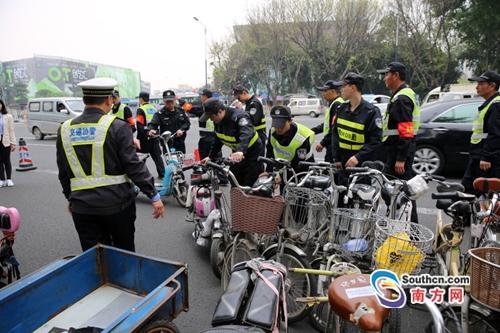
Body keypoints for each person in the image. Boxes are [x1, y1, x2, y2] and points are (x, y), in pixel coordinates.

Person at [56, 78, 164, 252]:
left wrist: (71, 197)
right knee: (123, 254)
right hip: (117, 206)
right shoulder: (118, 127)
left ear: (84, 100)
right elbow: (133, 165)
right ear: (108, 100)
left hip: (82, 208)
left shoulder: (64, 129)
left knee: (94, 257)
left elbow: (63, 172)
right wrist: (153, 195)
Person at [377, 62, 420, 222]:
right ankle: (399, 224)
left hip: (398, 153)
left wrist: (401, 158)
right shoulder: (402, 94)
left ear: (395, 75)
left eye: (386, 74)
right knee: (396, 191)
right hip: (396, 151)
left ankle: (411, 230)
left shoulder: (402, 98)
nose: (384, 79)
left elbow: (406, 130)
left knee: (403, 192)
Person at [201, 97, 264, 187]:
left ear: (220, 111)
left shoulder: (239, 116)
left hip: (252, 152)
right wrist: (210, 157)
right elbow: (217, 141)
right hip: (237, 154)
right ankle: (238, 200)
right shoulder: (218, 120)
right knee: (234, 180)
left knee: (249, 183)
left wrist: (240, 151)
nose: (211, 120)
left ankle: (250, 199)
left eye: (211, 117)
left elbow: (246, 133)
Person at [332, 72, 382, 171]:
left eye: (343, 86)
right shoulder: (341, 109)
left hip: (362, 165)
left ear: (353, 88)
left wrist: (358, 157)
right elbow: (335, 135)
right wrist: (336, 158)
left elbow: (375, 141)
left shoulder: (371, 112)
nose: (341, 90)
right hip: (342, 163)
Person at [462, 70, 500, 194]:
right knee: (472, 192)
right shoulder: (490, 103)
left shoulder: (496, 105)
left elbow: (495, 134)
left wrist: (486, 157)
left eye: (481, 83)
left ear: (492, 86)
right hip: (479, 155)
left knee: (473, 191)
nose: (477, 87)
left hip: (486, 159)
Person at [265, 105, 315, 174]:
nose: (278, 129)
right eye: (276, 125)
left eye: (281, 125)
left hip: (302, 169)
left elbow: (298, 163)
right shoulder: (273, 131)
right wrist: (268, 171)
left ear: (290, 121)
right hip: (283, 167)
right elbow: (270, 152)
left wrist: (280, 175)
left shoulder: (302, 137)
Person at [148, 90, 191, 154]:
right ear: (164, 101)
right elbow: (153, 124)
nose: (170, 103)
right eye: (167, 101)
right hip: (167, 144)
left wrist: (181, 130)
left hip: (180, 143)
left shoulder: (180, 111)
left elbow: (187, 123)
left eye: (171, 101)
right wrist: (151, 130)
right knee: (170, 163)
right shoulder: (160, 113)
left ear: (175, 100)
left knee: (181, 162)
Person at [312, 80, 345, 162]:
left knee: (329, 170)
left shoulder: (337, 104)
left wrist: (322, 143)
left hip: (333, 145)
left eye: (325, 91)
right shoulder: (334, 103)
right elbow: (327, 124)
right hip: (331, 143)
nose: (323, 94)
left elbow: (334, 129)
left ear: (333, 91)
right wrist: (311, 131)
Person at [136, 92, 164, 179]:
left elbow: (140, 125)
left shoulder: (140, 110)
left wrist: (140, 138)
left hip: (144, 138)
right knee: (157, 157)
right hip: (155, 136)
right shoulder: (154, 108)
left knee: (141, 158)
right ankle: (162, 174)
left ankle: (139, 176)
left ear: (141, 99)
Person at [233, 85, 267, 153]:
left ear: (244, 93)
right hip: (253, 135)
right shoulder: (249, 103)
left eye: (239, 97)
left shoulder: (254, 103)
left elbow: (253, 120)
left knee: (258, 159)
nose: (238, 100)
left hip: (259, 135)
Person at [190, 89, 217, 159]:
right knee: (216, 159)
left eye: (201, 96)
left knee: (203, 160)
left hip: (206, 139)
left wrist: (182, 102)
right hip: (215, 138)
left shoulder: (204, 108)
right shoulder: (217, 106)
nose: (200, 97)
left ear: (205, 96)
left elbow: (190, 109)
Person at [0, 99, 16, 187]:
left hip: (6, 140)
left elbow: (11, 130)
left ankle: (9, 179)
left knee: (6, 160)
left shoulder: (8, 116)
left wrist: (13, 143)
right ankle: (2, 179)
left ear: (2, 105)